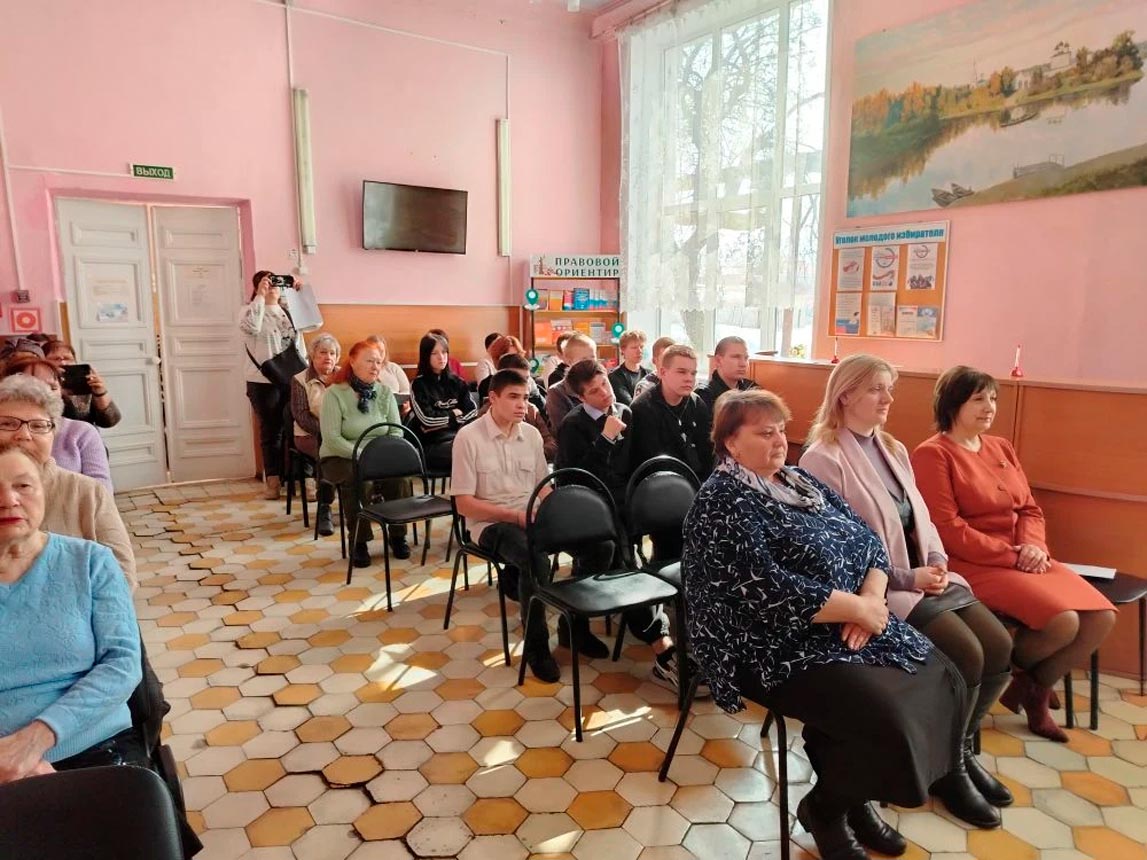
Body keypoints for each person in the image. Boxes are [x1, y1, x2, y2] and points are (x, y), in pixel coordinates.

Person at [683, 390, 965, 860]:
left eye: (781, 430)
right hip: (768, 643)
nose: (779, 441)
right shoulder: (721, 501)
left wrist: (870, 600)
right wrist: (856, 609)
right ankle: (827, 808)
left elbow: (869, 542)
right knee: (886, 716)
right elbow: (765, 589)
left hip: (842, 620)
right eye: (764, 433)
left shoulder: (798, 481)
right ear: (731, 443)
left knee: (937, 676)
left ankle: (853, 797)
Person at [801, 355, 1015, 825]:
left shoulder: (892, 447)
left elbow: (922, 517)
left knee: (999, 647)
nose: (888, 398)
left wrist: (936, 560)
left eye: (889, 388)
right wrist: (905, 576)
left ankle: (958, 749)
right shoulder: (823, 458)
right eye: (876, 389)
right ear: (846, 394)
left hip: (925, 577)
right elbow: (837, 550)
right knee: (966, 654)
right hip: (882, 590)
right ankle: (949, 770)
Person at [911, 366, 1116, 743]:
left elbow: (1029, 509)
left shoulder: (1001, 446)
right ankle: (1019, 685)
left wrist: (1035, 546)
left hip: (1023, 555)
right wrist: (1012, 555)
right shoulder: (932, 454)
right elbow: (947, 529)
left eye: (993, 398)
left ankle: (1030, 687)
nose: (989, 407)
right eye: (979, 399)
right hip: (973, 562)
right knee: (1063, 622)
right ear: (952, 403)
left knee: (1101, 617)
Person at [452, 369, 615, 683]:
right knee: (533, 557)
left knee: (600, 545)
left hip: (533, 515)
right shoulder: (468, 438)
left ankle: (574, 628)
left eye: (526, 397)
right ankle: (536, 647)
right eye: (513, 397)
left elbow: (544, 487)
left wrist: (559, 516)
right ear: (492, 398)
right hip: (490, 523)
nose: (522, 405)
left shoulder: (531, 434)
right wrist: (513, 516)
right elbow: (464, 505)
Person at [0, 443, 142, 778]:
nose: (8, 500)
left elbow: (122, 663)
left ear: (43, 491)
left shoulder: (90, 561)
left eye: (23, 485)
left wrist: (35, 741)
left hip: (94, 743)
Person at [0, 375, 135, 588]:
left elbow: (121, 576)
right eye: (8, 424)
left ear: (53, 434)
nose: (24, 435)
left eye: (38, 426)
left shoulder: (87, 492)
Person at [319, 341, 412, 568]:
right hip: (341, 456)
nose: (375, 366)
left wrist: (381, 456)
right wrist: (363, 455)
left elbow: (396, 431)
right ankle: (359, 541)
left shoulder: (384, 392)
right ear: (352, 362)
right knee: (358, 478)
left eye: (379, 362)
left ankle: (398, 535)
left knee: (400, 477)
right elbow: (332, 438)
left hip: (378, 455)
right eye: (369, 361)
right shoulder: (334, 394)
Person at [239, 271, 306, 500]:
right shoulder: (249, 311)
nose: (274, 285)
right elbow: (250, 327)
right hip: (263, 381)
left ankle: (302, 479)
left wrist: (301, 294)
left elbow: (313, 325)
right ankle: (273, 481)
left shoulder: (289, 310)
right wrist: (260, 296)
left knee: (299, 428)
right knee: (271, 431)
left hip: (293, 378)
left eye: (277, 281)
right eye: (268, 281)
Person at [1, 357, 112, 491]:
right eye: (33, 385)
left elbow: (101, 492)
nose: (43, 392)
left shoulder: (82, 431)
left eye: (52, 387)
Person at [291, 333, 340, 537]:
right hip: (308, 435)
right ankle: (324, 508)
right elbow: (302, 416)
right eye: (323, 353)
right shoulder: (300, 379)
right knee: (328, 451)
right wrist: (329, 432)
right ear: (312, 355)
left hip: (340, 433)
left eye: (332, 353)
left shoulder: (344, 376)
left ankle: (363, 500)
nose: (328, 357)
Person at [410, 333, 478, 473]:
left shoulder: (458, 382)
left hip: (458, 438)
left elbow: (472, 412)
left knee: (477, 447)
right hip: (432, 445)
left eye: (444, 352)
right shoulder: (418, 384)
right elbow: (427, 420)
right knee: (469, 451)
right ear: (426, 356)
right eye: (434, 353)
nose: (441, 357)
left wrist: (447, 420)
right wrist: (454, 414)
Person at [481, 354, 555, 462]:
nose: (523, 384)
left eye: (527, 379)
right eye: (516, 378)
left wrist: (529, 454)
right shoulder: (485, 416)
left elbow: (551, 444)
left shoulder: (531, 410)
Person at [43, 340, 122, 428]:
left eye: (67, 358)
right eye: (56, 359)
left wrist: (100, 392)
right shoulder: (38, 385)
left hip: (86, 435)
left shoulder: (84, 385)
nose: (63, 363)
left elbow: (110, 421)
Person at [544, 332, 597, 431]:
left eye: (593, 357)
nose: (590, 362)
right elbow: (562, 429)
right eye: (584, 359)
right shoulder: (557, 392)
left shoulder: (603, 382)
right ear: (569, 362)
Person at [697, 335, 758, 411]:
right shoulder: (704, 395)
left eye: (746, 358)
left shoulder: (753, 389)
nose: (743, 364)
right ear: (718, 360)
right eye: (736, 357)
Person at [608, 329, 649, 407]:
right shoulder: (615, 376)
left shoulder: (649, 374)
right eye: (634, 347)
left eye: (641, 347)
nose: (639, 351)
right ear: (623, 350)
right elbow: (630, 405)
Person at [364, 335, 412, 402]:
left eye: (382, 351)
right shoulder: (363, 370)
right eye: (376, 350)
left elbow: (407, 391)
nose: (380, 354)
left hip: (397, 405)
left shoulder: (393, 368)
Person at [632, 335, 676, 401]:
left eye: (673, 358)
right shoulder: (645, 387)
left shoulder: (681, 382)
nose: (670, 362)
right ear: (654, 361)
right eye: (665, 358)